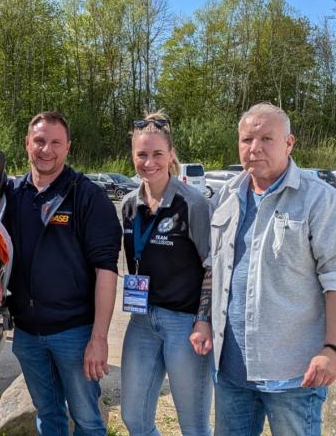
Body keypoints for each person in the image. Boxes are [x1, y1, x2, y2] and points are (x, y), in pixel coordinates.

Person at [210, 103, 336, 436]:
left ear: (289, 143)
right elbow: (213, 268)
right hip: (232, 372)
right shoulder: (227, 196)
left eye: (267, 138)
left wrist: (334, 350)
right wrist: (201, 319)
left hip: (294, 373)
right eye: (248, 139)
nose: (255, 148)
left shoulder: (320, 200)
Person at [0, 111, 121, 435]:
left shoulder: (88, 196)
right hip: (28, 334)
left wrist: (99, 339)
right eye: (40, 141)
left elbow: (107, 270)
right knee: (48, 416)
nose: (47, 150)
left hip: (74, 333)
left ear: (68, 147)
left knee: (88, 420)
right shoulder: (12, 196)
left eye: (55, 143)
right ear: (27, 144)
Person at [119, 112, 213, 436]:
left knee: (194, 426)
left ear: (171, 154)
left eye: (157, 153)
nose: (149, 162)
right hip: (142, 321)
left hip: (184, 324)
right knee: (134, 418)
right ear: (132, 156)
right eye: (142, 154)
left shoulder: (193, 204)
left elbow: (212, 266)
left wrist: (204, 320)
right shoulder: (129, 205)